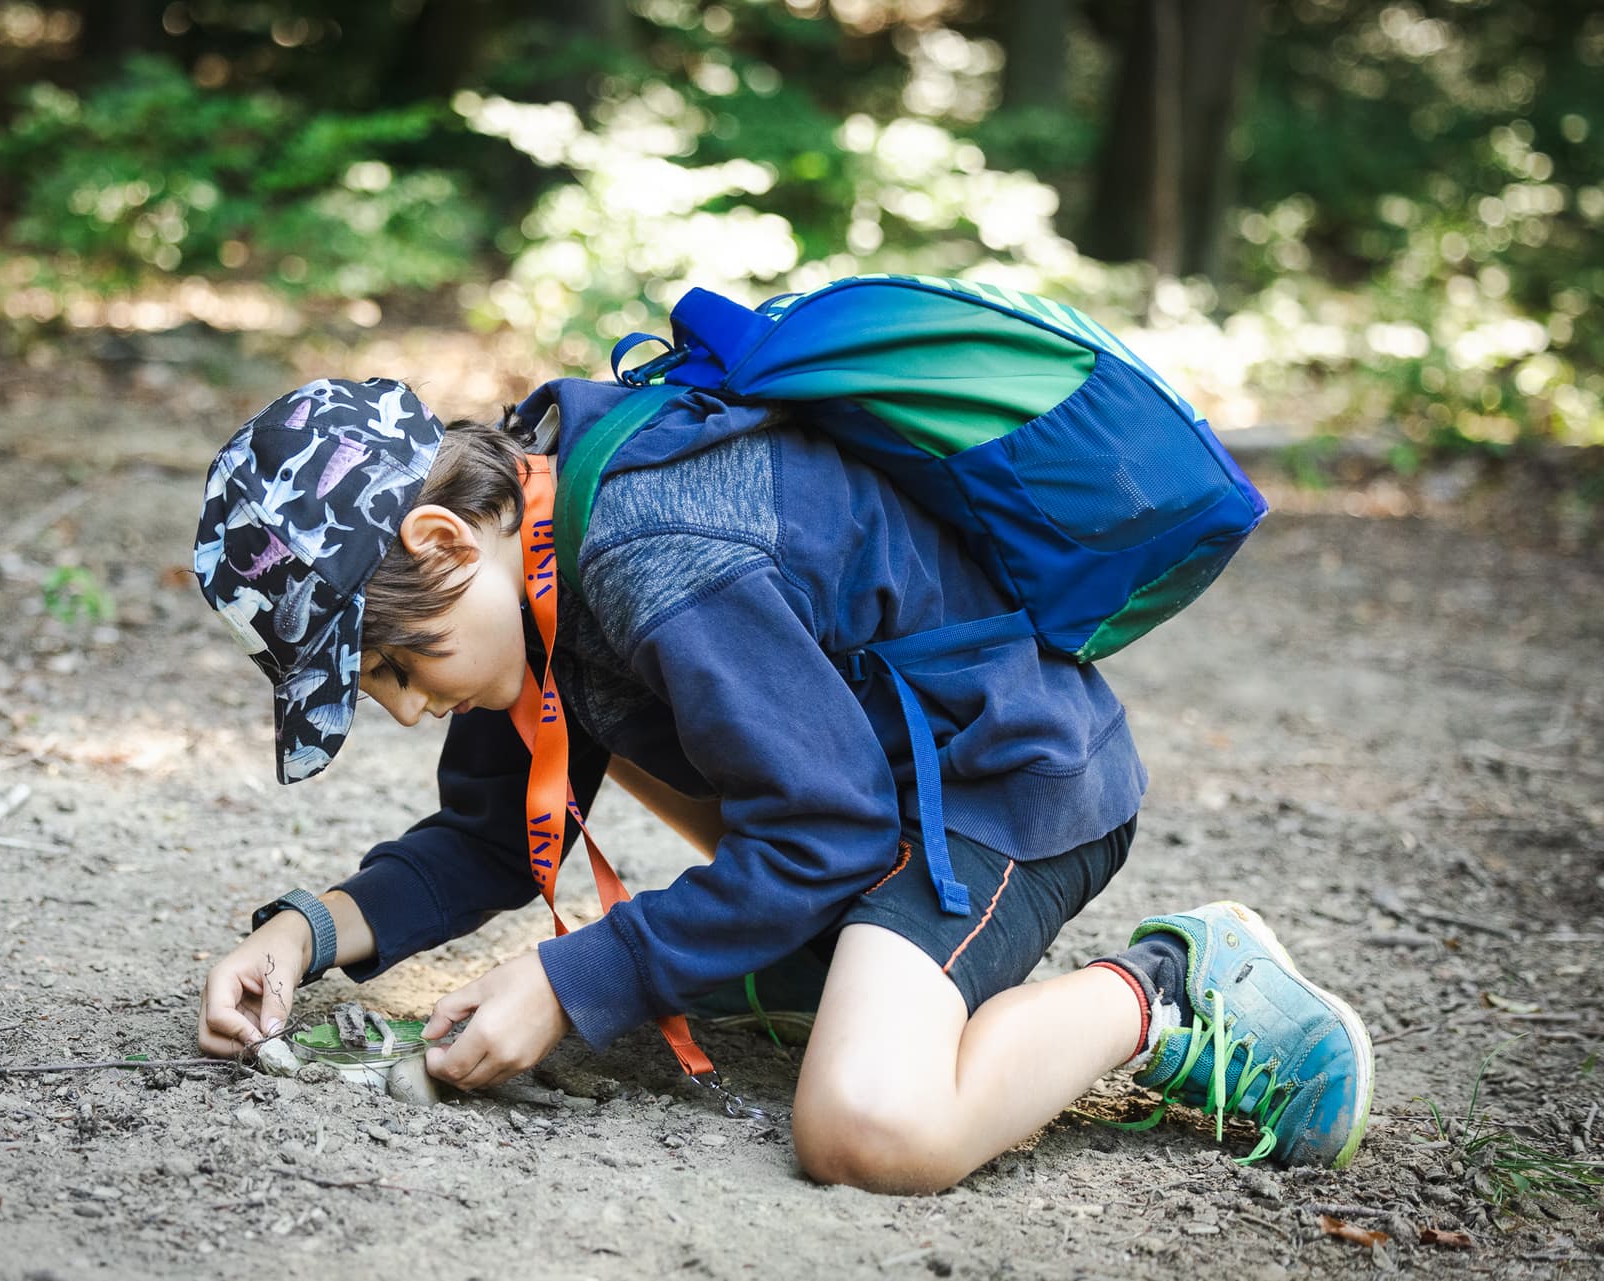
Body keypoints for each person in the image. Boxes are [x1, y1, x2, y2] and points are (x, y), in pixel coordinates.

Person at [192, 375, 1373, 1193]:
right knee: (684, 928)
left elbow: (824, 826)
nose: (407, 707)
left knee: (868, 1128)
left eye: (400, 665)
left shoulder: (651, 550)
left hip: (1001, 787)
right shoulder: (531, 560)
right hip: (869, 804)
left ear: (447, 542)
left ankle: (1173, 989)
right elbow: (493, 839)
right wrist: (305, 933)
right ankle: (858, 959)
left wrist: (571, 976)